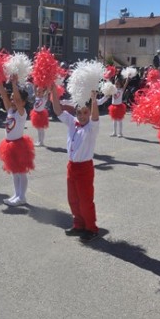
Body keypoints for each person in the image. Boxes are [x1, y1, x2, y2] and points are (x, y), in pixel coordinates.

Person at [50, 84, 100, 243]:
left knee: (85, 201)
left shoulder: (92, 127)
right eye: (79, 113)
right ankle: (78, 225)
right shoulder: (73, 122)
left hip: (84, 168)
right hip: (71, 167)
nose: (82, 116)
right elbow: (58, 110)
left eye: (85, 113)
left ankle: (91, 228)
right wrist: (53, 91)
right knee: (73, 199)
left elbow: (95, 117)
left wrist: (93, 100)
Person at [0, 75, 35, 207]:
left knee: (21, 171)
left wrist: (14, 84)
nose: (12, 100)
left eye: (15, 98)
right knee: (14, 172)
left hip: (19, 145)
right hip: (9, 145)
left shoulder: (21, 112)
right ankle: (16, 194)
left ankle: (22, 197)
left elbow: (17, 100)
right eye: (12, 98)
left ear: (23, 102)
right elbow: (4, 96)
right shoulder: (10, 110)